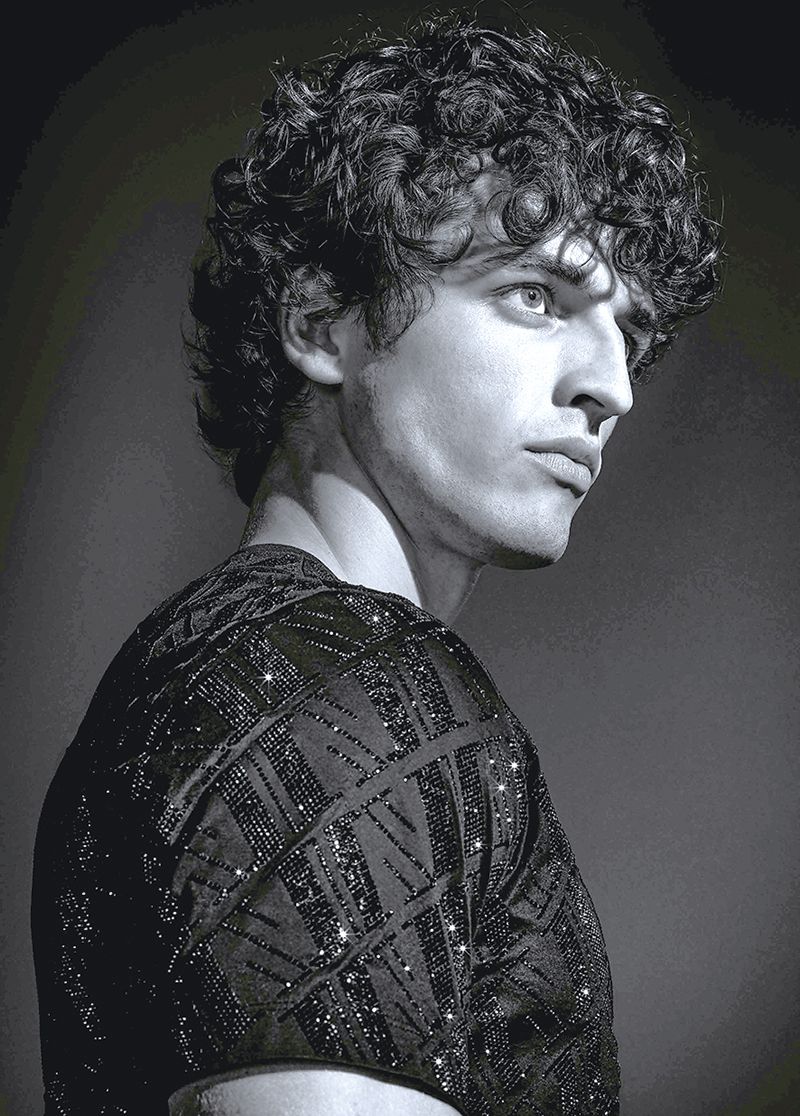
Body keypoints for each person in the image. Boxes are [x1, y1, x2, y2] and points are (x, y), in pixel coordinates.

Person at [32, 13, 720, 1116]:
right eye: (536, 296)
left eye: (628, 334)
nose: (612, 386)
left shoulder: (201, 679)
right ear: (323, 322)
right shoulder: (335, 693)